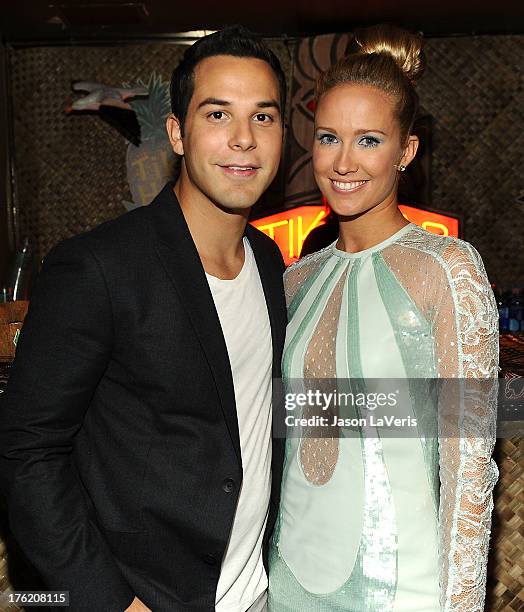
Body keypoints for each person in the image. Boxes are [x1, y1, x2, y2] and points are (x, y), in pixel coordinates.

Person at [0, 26, 287, 612]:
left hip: (256, 593)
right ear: (177, 134)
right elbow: (25, 448)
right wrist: (111, 602)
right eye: (217, 115)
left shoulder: (268, 259)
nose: (243, 139)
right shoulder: (99, 266)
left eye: (263, 117)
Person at [268, 24, 499, 611]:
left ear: (407, 151)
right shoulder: (295, 280)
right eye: (328, 137)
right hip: (289, 580)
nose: (343, 162)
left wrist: (459, 603)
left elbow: (469, 464)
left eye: (368, 140)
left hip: (401, 589)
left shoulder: (447, 269)